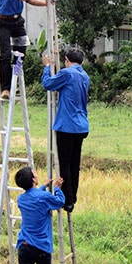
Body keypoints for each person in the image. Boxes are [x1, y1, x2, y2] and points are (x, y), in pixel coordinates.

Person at [0, 0, 55, 99]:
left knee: (21, 52)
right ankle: (5, 89)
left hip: (17, 22)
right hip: (4, 22)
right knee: (5, 54)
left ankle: (15, 82)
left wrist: (45, 4)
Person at [41, 48, 90, 212]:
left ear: (67, 60)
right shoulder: (85, 76)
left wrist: (47, 67)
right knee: (75, 164)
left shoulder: (67, 73)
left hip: (67, 126)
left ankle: (67, 200)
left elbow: (48, 84)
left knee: (64, 164)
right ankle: (72, 197)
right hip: (81, 125)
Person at [14, 167, 65, 264]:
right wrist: (57, 188)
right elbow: (60, 202)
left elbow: (34, 197)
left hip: (24, 246)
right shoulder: (44, 197)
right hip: (41, 247)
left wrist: (43, 186)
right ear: (33, 180)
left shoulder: (21, 199)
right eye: (35, 174)